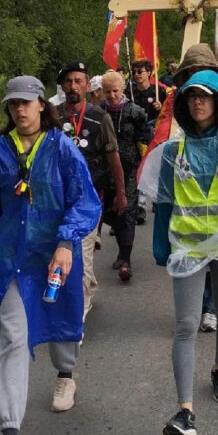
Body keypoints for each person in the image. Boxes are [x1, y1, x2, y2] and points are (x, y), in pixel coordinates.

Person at [0, 76, 101, 435]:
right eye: (13, 104)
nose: (20, 110)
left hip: (56, 256)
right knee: (12, 336)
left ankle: (66, 373)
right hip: (13, 259)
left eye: (27, 103)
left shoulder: (62, 148)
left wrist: (66, 243)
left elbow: (84, 201)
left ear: (42, 106)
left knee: (62, 323)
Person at [148, 70, 218, 435]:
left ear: (217, 101)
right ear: (183, 102)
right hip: (187, 247)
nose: (198, 102)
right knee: (185, 325)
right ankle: (185, 411)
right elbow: (164, 200)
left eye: (205, 96)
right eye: (191, 97)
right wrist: (160, 244)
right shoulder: (172, 150)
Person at [57, 61, 126, 317]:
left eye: (78, 81)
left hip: (89, 200)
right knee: (64, 250)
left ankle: (79, 313)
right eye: (68, 81)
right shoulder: (52, 117)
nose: (73, 86)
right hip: (58, 199)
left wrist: (120, 193)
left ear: (88, 85)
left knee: (82, 255)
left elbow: (113, 158)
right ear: (63, 85)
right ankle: (89, 287)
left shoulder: (99, 118)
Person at [100, 70, 149, 281]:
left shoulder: (134, 111)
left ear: (122, 90)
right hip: (106, 168)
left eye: (115, 91)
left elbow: (145, 135)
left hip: (130, 168)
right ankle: (121, 251)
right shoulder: (99, 112)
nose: (112, 95)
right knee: (112, 211)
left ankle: (126, 260)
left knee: (127, 209)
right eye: (107, 92)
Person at [129, 59, 167, 125]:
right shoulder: (129, 92)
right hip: (136, 128)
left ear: (148, 73)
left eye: (140, 71)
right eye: (134, 72)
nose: (136, 74)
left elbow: (168, 111)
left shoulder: (159, 90)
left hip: (155, 127)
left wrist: (161, 108)